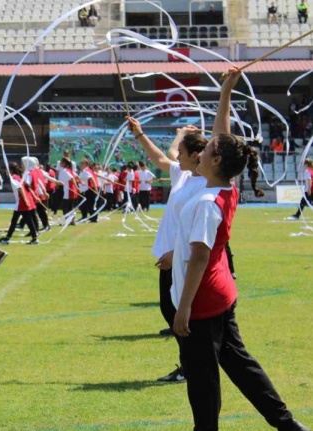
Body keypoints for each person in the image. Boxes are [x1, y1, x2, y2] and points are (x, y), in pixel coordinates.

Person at [172, 68, 310, 431]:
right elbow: (224, 137)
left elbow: (199, 257)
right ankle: (287, 425)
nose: (202, 150)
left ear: (215, 161)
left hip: (203, 300)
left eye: (208, 150)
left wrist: (183, 308)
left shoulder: (206, 200)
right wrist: (225, 92)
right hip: (221, 294)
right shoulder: (224, 186)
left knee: (203, 383)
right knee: (242, 367)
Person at [128, 119, 207, 383]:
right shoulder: (183, 174)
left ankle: (191, 365)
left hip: (182, 259)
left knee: (180, 314)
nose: (177, 156)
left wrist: (176, 253)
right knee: (169, 309)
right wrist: (140, 134)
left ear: (196, 156)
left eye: (182, 153)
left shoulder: (205, 185)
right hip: (169, 257)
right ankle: (192, 363)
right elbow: (163, 157)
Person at [0, 162, 39, 245]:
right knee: (15, 221)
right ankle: (7, 238)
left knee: (28, 220)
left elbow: (20, 188)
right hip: (22, 201)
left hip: (22, 202)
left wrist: (25, 200)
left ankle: (34, 238)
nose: (5, 172)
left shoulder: (14, 178)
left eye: (6, 170)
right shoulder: (18, 177)